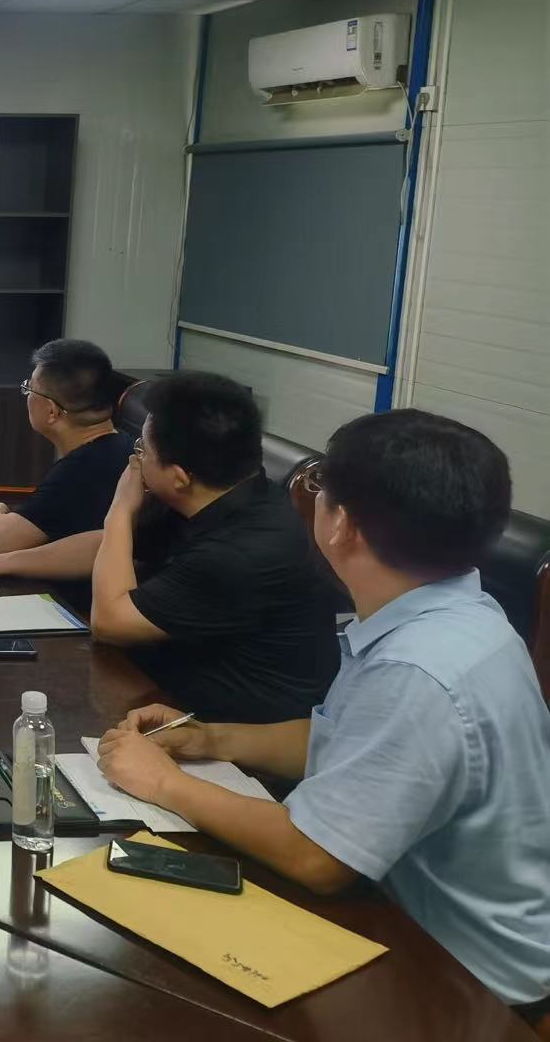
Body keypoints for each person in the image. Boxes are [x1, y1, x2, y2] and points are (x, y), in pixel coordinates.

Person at [98, 410, 550, 1020]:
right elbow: (355, 743)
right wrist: (212, 739)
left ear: (343, 525)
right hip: (413, 924)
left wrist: (162, 783)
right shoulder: (458, 617)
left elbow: (318, 857)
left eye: (319, 491)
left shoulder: (418, 669)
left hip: (463, 983)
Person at [90, 371, 343, 722]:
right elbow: (112, 550)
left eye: (142, 450)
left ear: (179, 476)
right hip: (167, 689)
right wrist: (13, 560)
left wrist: (120, 511)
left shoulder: (243, 551)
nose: (137, 460)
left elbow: (109, 622)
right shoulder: (223, 491)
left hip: (234, 733)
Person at [0, 339, 131, 587]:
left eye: (29, 388)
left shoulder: (81, 469)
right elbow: (54, 519)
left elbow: (2, 541)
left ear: (51, 411)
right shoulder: (119, 444)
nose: (27, 395)